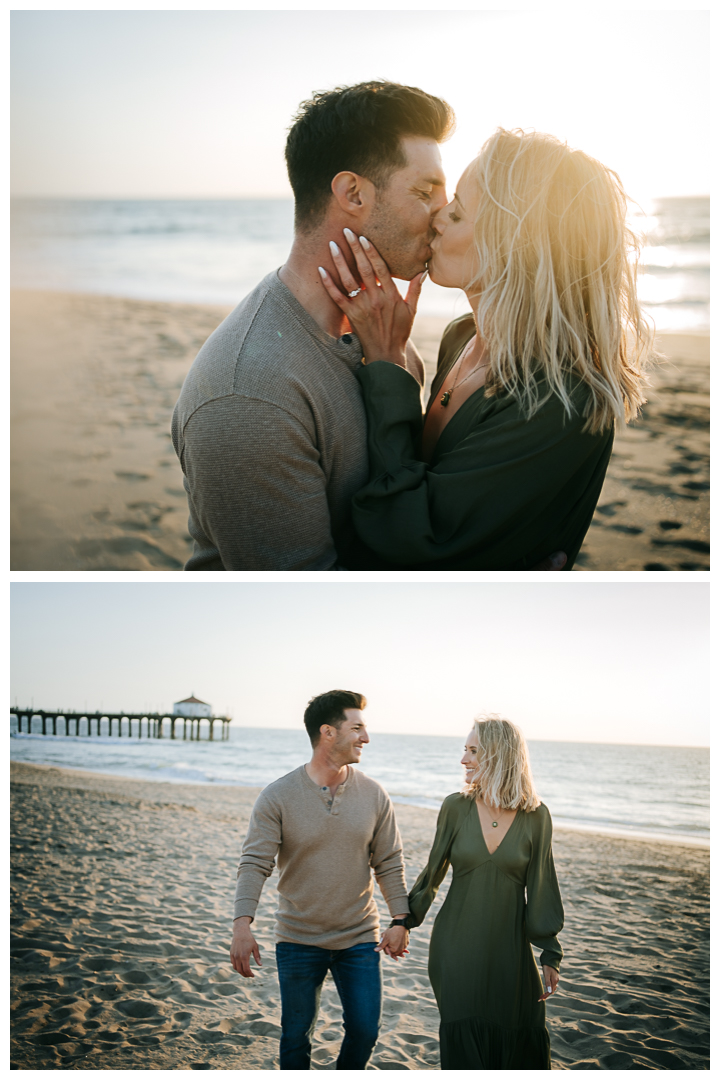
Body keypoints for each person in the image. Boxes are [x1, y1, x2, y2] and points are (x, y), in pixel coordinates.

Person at [320, 128, 654, 569]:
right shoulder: (461, 336)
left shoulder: (559, 399)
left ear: (513, 244)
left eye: (456, 214)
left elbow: (409, 536)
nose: (436, 218)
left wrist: (386, 364)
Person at [171, 81, 452, 570]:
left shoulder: (388, 342)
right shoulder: (250, 393)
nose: (442, 214)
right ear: (352, 193)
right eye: (425, 191)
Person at [229, 690, 412, 1070]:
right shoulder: (277, 796)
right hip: (298, 937)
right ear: (328, 732)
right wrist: (242, 925)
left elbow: (389, 862)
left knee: (365, 1029)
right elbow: (254, 863)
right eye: (357, 728)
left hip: (359, 937)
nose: (366, 738)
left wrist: (400, 921)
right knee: (296, 1034)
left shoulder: (375, 794)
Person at [406, 715, 564, 1069]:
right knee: (465, 1050)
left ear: (499, 756)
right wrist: (404, 921)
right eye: (465, 750)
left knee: (519, 1044)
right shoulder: (455, 807)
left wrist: (550, 952)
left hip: (511, 952)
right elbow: (431, 875)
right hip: (456, 948)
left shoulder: (537, 817)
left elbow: (542, 887)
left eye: (473, 751)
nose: (464, 759)